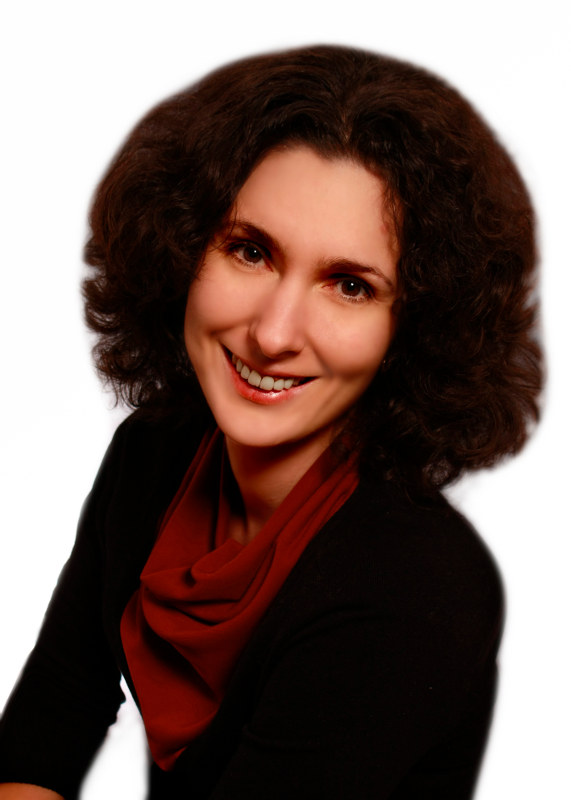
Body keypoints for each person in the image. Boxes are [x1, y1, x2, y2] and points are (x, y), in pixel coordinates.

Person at [0, 45, 542, 799]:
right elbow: (42, 739)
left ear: (414, 328)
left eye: (349, 286)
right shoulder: (155, 451)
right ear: (183, 247)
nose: (274, 333)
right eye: (250, 251)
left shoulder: (413, 589)